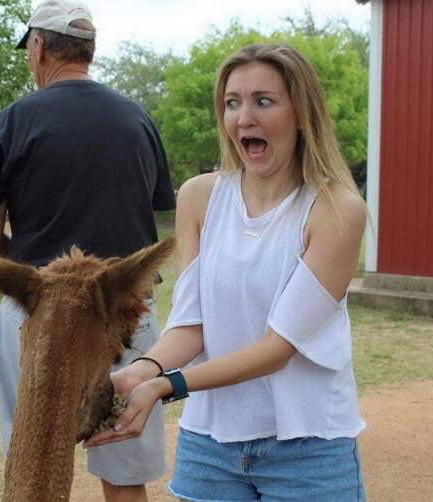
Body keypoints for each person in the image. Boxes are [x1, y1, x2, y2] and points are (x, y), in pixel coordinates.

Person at [85, 43, 368, 501]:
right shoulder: (199, 197)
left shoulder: (336, 209)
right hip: (211, 446)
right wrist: (140, 370)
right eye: (232, 103)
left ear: (302, 113)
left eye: (263, 101)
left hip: (309, 450)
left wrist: (166, 385)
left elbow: (278, 349)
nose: (243, 118)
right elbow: (192, 323)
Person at [0, 1, 176, 501]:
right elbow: (159, 219)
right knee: (125, 475)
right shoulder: (138, 120)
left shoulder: (14, 120)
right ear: (89, 51)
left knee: (33, 457)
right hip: (124, 312)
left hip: (37, 316)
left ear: (38, 48)